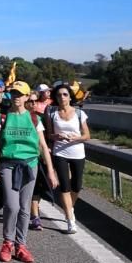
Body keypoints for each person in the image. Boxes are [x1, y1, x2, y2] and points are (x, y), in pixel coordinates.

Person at [0, 82, 58, 263]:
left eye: (20, 94)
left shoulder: (35, 119)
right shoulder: (1, 117)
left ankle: (21, 245)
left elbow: (43, 146)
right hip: (8, 164)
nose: (16, 97)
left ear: (27, 96)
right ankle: (7, 242)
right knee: (12, 205)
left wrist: (51, 171)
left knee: (25, 207)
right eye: (13, 93)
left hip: (30, 164)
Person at [44, 83, 90, 233]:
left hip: (77, 152)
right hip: (60, 153)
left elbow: (87, 136)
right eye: (59, 95)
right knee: (64, 186)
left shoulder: (79, 113)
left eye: (65, 94)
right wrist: (56, 136)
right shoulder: (52, 113)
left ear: (70, 97)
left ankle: (69, 207)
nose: (62, 97)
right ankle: (70, 219)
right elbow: (48, 135)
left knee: (76, 185)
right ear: (55, 98)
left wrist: (77, 138)